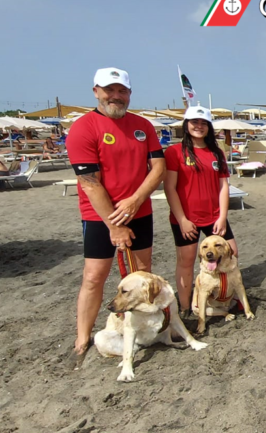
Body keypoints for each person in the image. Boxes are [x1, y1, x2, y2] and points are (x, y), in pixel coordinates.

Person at [65, 67, 166, 364]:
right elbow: (89, 182)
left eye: (122, 91)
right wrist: (114, 224)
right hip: (100, 216)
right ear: (96, 91)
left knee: (141, 272)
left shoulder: (142, 126)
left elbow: (157, 168)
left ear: (130, 94)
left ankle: (141, 328)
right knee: (94, 277)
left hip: (139, 210)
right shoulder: (84, 127)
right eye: (110, 90)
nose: (116, 96)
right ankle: (82, 340)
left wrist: (135, 200)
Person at [164, 106, 236, 317]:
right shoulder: (174, 152)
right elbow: (170, 187)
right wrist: (182, 219)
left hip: (214, 216)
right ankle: (186, 306)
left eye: (203, 123)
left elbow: (224, 186)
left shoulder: (216, 152)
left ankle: (223, 295)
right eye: (194, 122)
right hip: (187, 218)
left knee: (232, 252)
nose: (199, 126)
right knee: (186, 261)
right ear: (186, 125)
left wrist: (223, 216)